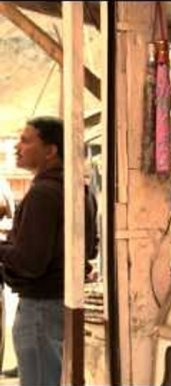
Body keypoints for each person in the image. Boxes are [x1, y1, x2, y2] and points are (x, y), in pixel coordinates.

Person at [0, 117, 98, 385]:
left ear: (51, 150)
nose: (17, 147)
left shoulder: (44, 193)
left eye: (26, 140)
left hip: (40, 310)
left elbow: (30, 262)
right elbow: (89, 248)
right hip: (59, 304)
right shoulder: (81, 190)